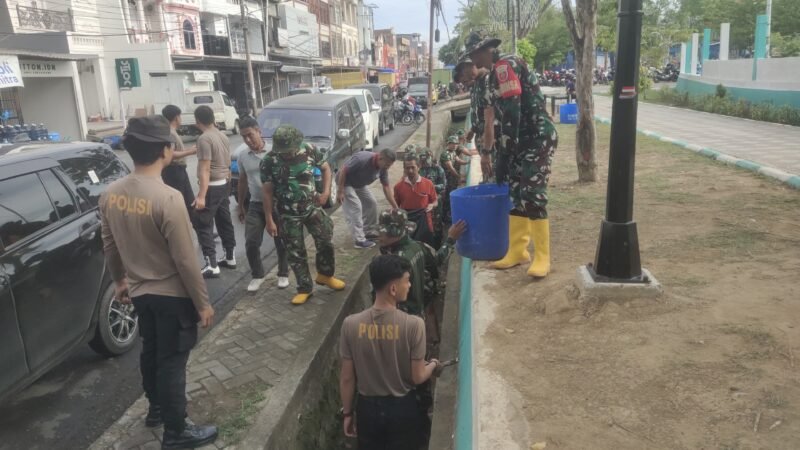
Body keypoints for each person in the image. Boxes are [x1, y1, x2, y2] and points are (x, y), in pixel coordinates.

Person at [100, 116, 217, 449]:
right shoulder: (168, 198)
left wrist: (120, 281)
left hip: (140, 293)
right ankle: (176, 430)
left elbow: (109, 245)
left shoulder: (110, 194)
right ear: (166, 150)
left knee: (151, 351)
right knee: (171, 361)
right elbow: (185, 260)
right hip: (172, 296)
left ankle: (155, 410)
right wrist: (203, 303)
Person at [467, 31, 558, 278]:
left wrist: (504, 152)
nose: (473, 59)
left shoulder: (506, 66)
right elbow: (493, 115)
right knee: (516, 192)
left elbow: (513, 110)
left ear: (485, 50)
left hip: (536, 137)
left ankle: (542, 257)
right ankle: (518, 251)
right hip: (520, 140)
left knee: (532, 192)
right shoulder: (493, 75)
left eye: (474, 53)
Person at [339, 254, 441, 450]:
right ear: (393, 289)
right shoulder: (414, 325)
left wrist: (348, 414)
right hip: (402, 410)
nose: (409, 285)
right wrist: (434, 365)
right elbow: (418, 376)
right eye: (407, 281)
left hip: (367, 410)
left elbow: (346, 378)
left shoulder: (350, 324)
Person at [261, 125, 345, 305]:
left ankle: (325, 275)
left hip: (312, 207)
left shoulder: (309, 150)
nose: (287, 155)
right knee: (296, 252)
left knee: (325, 240)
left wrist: (325, 192)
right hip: (288, 214)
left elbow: (326, 168)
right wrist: (269, 218)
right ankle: (304, 288)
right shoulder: (269, 161)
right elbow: (267, 192)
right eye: (283, 151)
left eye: (290, 151)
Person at [235, 116, 290, 292]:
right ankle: (257, 275)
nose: (247, 140)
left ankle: (283, 273)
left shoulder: (275, 152)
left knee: (281, 240)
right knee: (251, 241)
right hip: (255, 204)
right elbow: (242, 180)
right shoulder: (243, 155)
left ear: (259, 131)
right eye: (244, 137)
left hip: (278, 204)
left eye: (250, 135)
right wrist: (240, 205)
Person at [192, 105, 237, 278]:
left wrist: (201, 196)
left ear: (197, 121)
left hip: (213, 185)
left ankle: (211, 264)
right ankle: (230, 256)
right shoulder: (222, 135)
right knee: (224, 219)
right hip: (225, 182)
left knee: (202, 221)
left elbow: (205, 169)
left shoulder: (204, 139)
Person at [336, 148, 399, 249]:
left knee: (372, 203)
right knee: (356, 207)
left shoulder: (383, 169)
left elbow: (386, 187)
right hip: (345, 182)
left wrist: (396, 207)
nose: (387, 168)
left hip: (359, 184)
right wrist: (340, 191)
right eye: (387, 165)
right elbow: (344, 170)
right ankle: (359, 240)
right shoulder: (362, 159)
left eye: (389, 166)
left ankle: (368, 231)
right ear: (380, 158)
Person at [393, 152, 438, 247]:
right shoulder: (398, 187)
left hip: (424, 221)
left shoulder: (428, 184)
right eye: (407, 168)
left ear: (419, 166)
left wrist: (431, 205)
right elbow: (395, 207)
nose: (410, 170)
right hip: (407, 222)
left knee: (426, 247)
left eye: (413, 167)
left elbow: (435, 201)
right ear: (404, 169)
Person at [160, 105, 196, 211]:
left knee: (188, 200)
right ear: (176, 118)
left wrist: (189, 149)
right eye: (180, 116)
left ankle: (190, 223)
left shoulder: (171, 131)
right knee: (180, 202)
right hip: (174, 171)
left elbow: (175, 150)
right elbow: (170, 154)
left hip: (178, 170)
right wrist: (190, 152)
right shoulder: (169, 132)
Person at [418, 148, 446, 247]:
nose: (424, 162)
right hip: (423, 201)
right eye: (422, 161)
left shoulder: (438, 169)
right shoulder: (419, 170)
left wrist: (431, 187)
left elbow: (443, 185)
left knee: (437, 224)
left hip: (435, 199)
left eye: (425, 160)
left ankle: (438, 245)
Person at [439, 136, 469, 226]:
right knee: (447, 197)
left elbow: (458, 160)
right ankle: (444, 217)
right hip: (447, 178)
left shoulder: (453, 153)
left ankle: (449, 214)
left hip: (452, 179)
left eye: (456, 144)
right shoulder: (445, 154)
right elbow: (451, 168)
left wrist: (468, 162)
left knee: (451, 194)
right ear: (449, 144)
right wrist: (459, 177)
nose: (455, 145)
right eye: (453, 144)